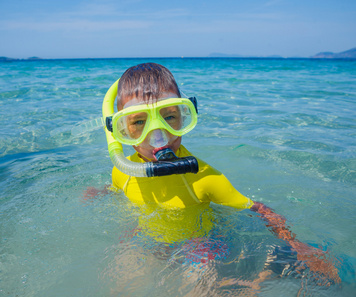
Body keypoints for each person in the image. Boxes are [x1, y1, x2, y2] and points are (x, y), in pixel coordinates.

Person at [99, 62, 340, 285]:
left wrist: (293, 241)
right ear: (120, 130)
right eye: (139, 123)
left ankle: (253, 281)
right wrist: (100, 193)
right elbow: (117, 192)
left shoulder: (203, 177)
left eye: (169, 117)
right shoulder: (122, 172)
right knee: (121, 280)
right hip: (152, 242)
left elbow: (257, 208)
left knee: (198, 284)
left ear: (185, 117)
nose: (158, 136)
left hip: (200, 245)